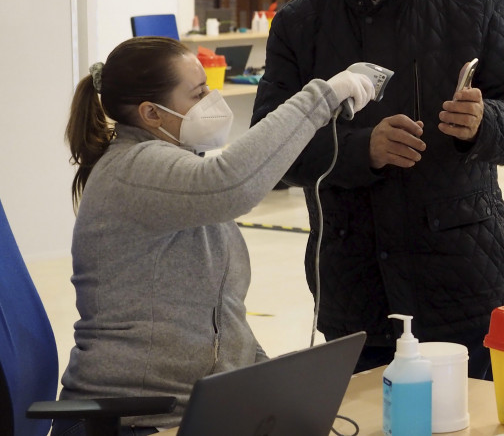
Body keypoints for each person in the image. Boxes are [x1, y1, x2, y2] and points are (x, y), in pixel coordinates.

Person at [251, 0, 504, 381]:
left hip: (460, 276)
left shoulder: (475, 5)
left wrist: (486, 124)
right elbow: (269, 148)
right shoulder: (300, 25)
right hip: (353, 284)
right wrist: (359, 148)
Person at [55, 37, 375, 436]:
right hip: (135, 417)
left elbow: (221, 314)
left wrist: (271, 379)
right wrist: (323, 97)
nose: (212, 100)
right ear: (151, 113)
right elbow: (232, 184)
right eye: (199, 93)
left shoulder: (177, 170)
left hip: (191, 407)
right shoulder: (132, 168)